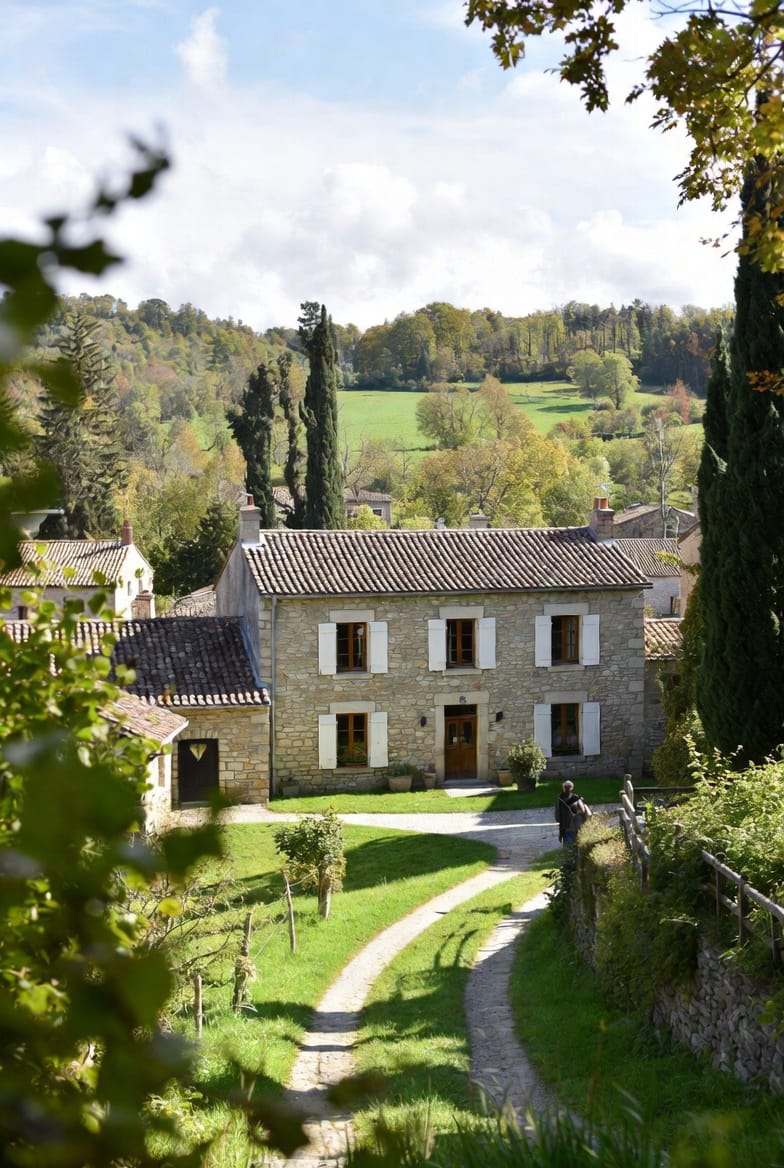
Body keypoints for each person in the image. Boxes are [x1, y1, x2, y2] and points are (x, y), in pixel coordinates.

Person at [555, 779, 590, 844]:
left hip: (566, 826)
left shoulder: (559, 799)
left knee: (568, 847)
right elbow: (583, 810)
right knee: (578, 844)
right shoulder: (576, 798)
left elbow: (557, 815)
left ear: (563, 788)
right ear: (572, 788)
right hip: (577, 825)